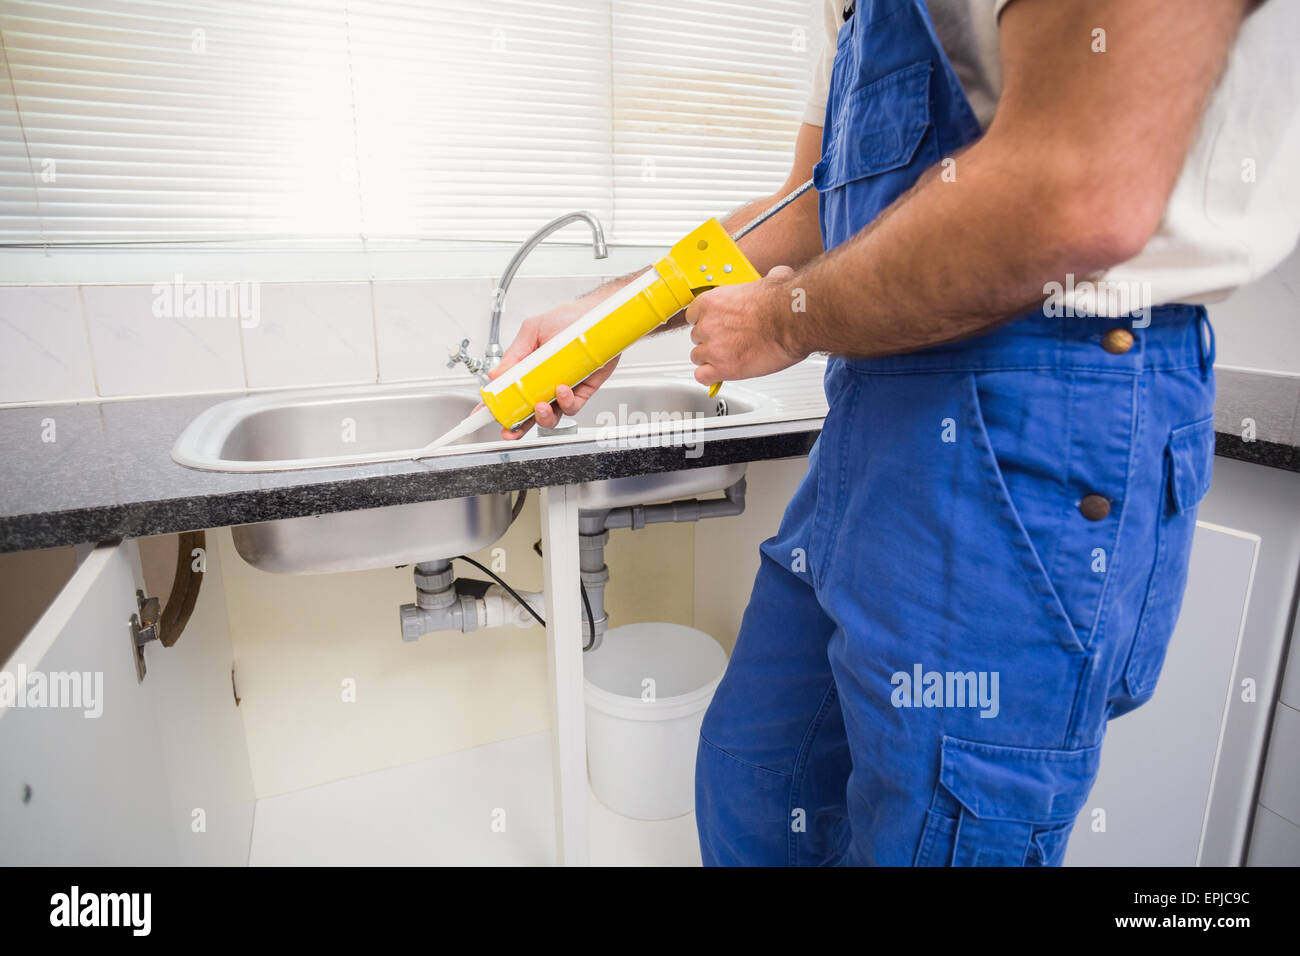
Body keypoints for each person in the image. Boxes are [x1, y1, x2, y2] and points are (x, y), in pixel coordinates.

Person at [492, 0, 1299, 865]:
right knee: (756, 775)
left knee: (935, 829)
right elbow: (805, 211)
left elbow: (1076, 185)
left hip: (1038, 404)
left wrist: (786, 317)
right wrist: (602, 319)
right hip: (874, 408)